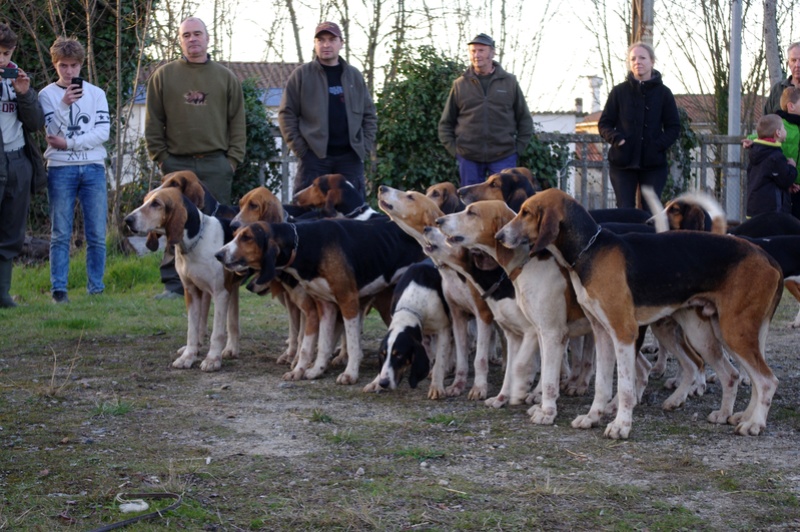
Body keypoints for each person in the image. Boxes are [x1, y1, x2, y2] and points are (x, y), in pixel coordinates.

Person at [145, 16, 246, 299]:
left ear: (207, 38)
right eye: (186, 35)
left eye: (197, 34)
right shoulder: (163, 77)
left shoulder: (226, 77)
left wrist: (232, 161)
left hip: (216, 163)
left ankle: (219, 280)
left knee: (215, 224)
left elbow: (238, 123)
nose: (192, 39)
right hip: (176, 164)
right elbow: (153, 124)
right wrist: (162, 159)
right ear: (180, 40)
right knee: (170, 221)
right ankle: (175, 284)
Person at [39, 37, 110, 304]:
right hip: (60, 169)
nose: (69, 72)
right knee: (60, 233)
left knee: (96, 234)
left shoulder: (97, 94)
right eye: (63, 66)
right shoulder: (46, 95)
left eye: (74, 66)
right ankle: (59, 291)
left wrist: (70, 143)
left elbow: (102, 132)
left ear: (81, 65)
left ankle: (97, 290)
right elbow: (50, 133)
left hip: (93, 167)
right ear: (55, 65)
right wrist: (64, 104)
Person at [278, 21, 377, 200]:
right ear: (315, 44)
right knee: (306, 214)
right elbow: (287, 114)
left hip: (349, 159)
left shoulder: (354, 75)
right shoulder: (301, 75)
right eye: (321, 40)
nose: (326, 45)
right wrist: (302, 151)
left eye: (332, 39)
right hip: (314, 159)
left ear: (341, 43)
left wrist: (363, 146)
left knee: (352, 217)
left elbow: (369, 115)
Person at [438, 33, 533, 187]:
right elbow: (446, 123)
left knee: (502, 205)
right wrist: (456, 151)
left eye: (481, 50)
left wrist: (518, 149)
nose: (476, 55)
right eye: (473, 51)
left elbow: (524, 119)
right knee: (471, 207)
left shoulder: (509, 82)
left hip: (503, 156)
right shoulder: (460, 84)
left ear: (492, 52)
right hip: (468, 157)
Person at [598, 42, 681, 210]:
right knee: (625, 210)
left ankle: (649, 237)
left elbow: (673, 127)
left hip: (653, 165)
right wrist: (617, 139)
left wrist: (657, 146)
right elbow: (604, 123)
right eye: (633, 59)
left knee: (650, 210)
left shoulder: (664, 93)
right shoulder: (619, 92)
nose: (638, 62)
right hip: (622, 163)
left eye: (642, 57)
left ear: (652, 61)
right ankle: (626, 237)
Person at [0, 23, 45, 308]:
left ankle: (2, 294)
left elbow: (36, 123)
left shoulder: (17, 77)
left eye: (6, 53)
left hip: (17, 162)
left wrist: (25, 94)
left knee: (11, 233)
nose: (2, 59)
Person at [746, 113, 797, 217]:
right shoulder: (775, 156)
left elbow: (767, 179)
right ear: (778, 133)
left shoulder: (756, 153)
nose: (785, 131)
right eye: (784, 128)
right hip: (771, 213)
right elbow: (786, 179)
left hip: (754, 209)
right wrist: (792, 166)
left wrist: (786, 189)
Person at [763, 42, 800, 115]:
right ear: (788, 63)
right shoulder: (778, 90)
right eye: (793, 60)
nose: (797, 65)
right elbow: (766, 120)